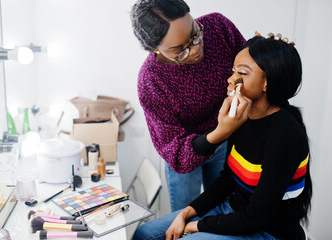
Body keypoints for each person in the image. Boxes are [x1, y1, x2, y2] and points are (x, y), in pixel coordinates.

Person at [132, 33, 313, 240]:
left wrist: (196, 227)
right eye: (233, 70)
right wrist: (187, 213)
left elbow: (256, 217)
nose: (231, 79)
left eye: (242, 73)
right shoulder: (241, 118)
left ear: (267, 82)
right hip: (234, 210)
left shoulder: (284, 137)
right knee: (144, 233)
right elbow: (227, 180)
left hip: (267, 230)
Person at [130, 0, 246, 211]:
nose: (195, 50)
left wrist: (270, 53)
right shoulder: (151, 80)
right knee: (186, 219)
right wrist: (217, 134)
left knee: (224, 211)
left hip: (228, 141)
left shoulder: (217, 27)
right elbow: (174, 150)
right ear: (154, 50)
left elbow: (249, 65)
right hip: (187, 156)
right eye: (179, 50)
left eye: (195, 35)